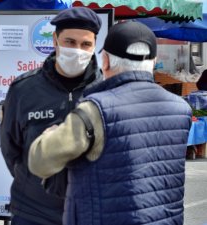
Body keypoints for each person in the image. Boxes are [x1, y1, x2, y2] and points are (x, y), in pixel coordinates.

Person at [29, 21, 192, 225]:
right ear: (154, 61)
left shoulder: (95, 110)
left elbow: (40, 162)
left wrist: (49, 135)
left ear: (104, 61)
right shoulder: (181, 109)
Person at [0, 7, 103, 225]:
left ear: (95, 45)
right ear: (55, 40)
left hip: (89, 212)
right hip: (33, 213)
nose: (77, 50)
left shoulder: (106, 90)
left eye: (86, 44)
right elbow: (11, 148)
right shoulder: (24, 89)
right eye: (70, 42)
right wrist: (32, 179)